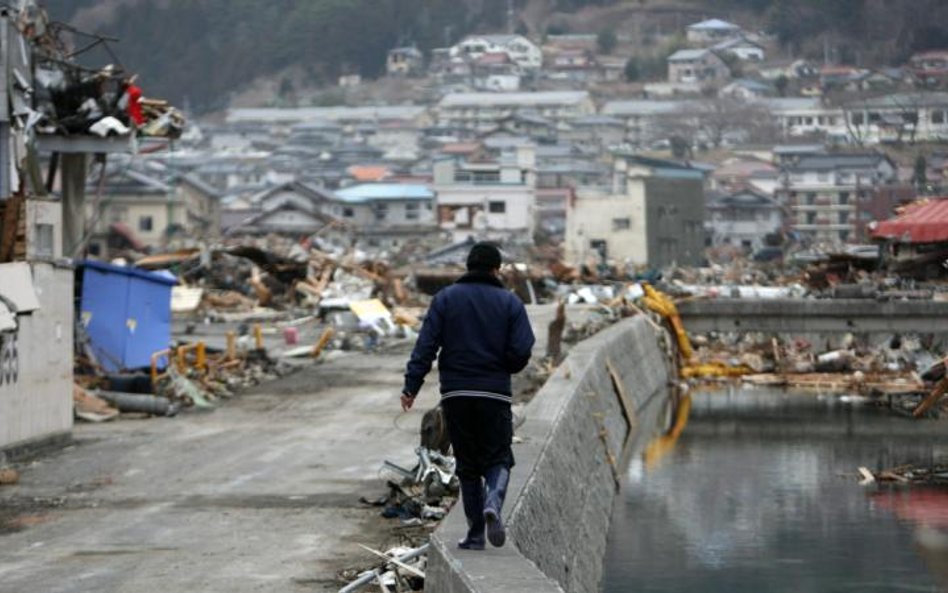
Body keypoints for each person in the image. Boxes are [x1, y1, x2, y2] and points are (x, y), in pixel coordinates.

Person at [400, 241, 535, 550]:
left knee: (467, 464)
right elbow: (522, 349)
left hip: (456, 394)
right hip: (494, 394)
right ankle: (493, 503)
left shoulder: (445, 299)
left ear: (468, 267)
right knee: (499, 457)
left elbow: (426, 346)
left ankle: (475, 535)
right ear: (496, 269)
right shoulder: (510, 303)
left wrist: (411, 386)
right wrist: (507, 364)